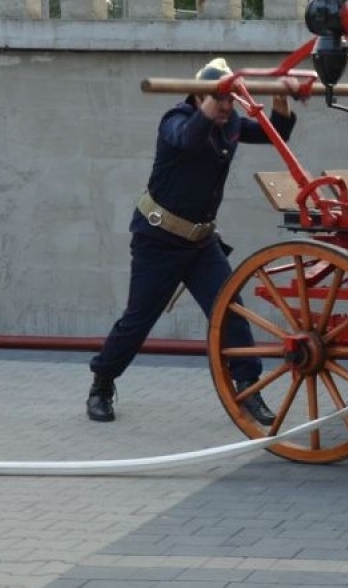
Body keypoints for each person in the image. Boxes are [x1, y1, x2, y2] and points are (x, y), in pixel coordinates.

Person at [87, 58, 298, 424]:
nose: (227, 108)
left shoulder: (229, 122)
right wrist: (211, 103)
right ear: (198, 98)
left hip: (201, 244)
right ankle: (102, 384)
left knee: (231, 309)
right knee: (137, 321)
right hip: (158, 240)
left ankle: (249, 388)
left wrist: (282, 100)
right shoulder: (175, 119)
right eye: (220, 101)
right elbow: (189, 139)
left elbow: (272, 134)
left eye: (231, 101)